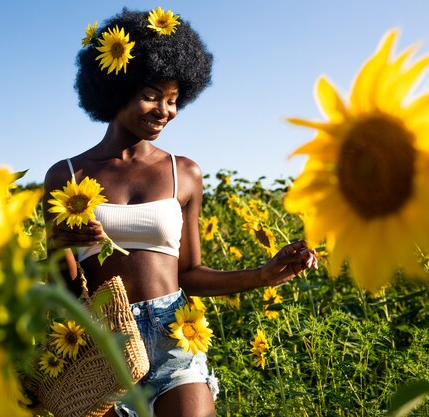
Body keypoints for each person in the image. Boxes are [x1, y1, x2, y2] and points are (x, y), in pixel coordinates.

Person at [42, 8, 317, 417]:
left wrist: (264, 274)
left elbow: (189, 274)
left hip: (174, 332)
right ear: (116, 88)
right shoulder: (66, 175)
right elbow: (65, 289)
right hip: (103, 345)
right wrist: (56, 248)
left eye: (173, 100)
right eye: (151, 95)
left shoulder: (183, 173)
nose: (164, 111)